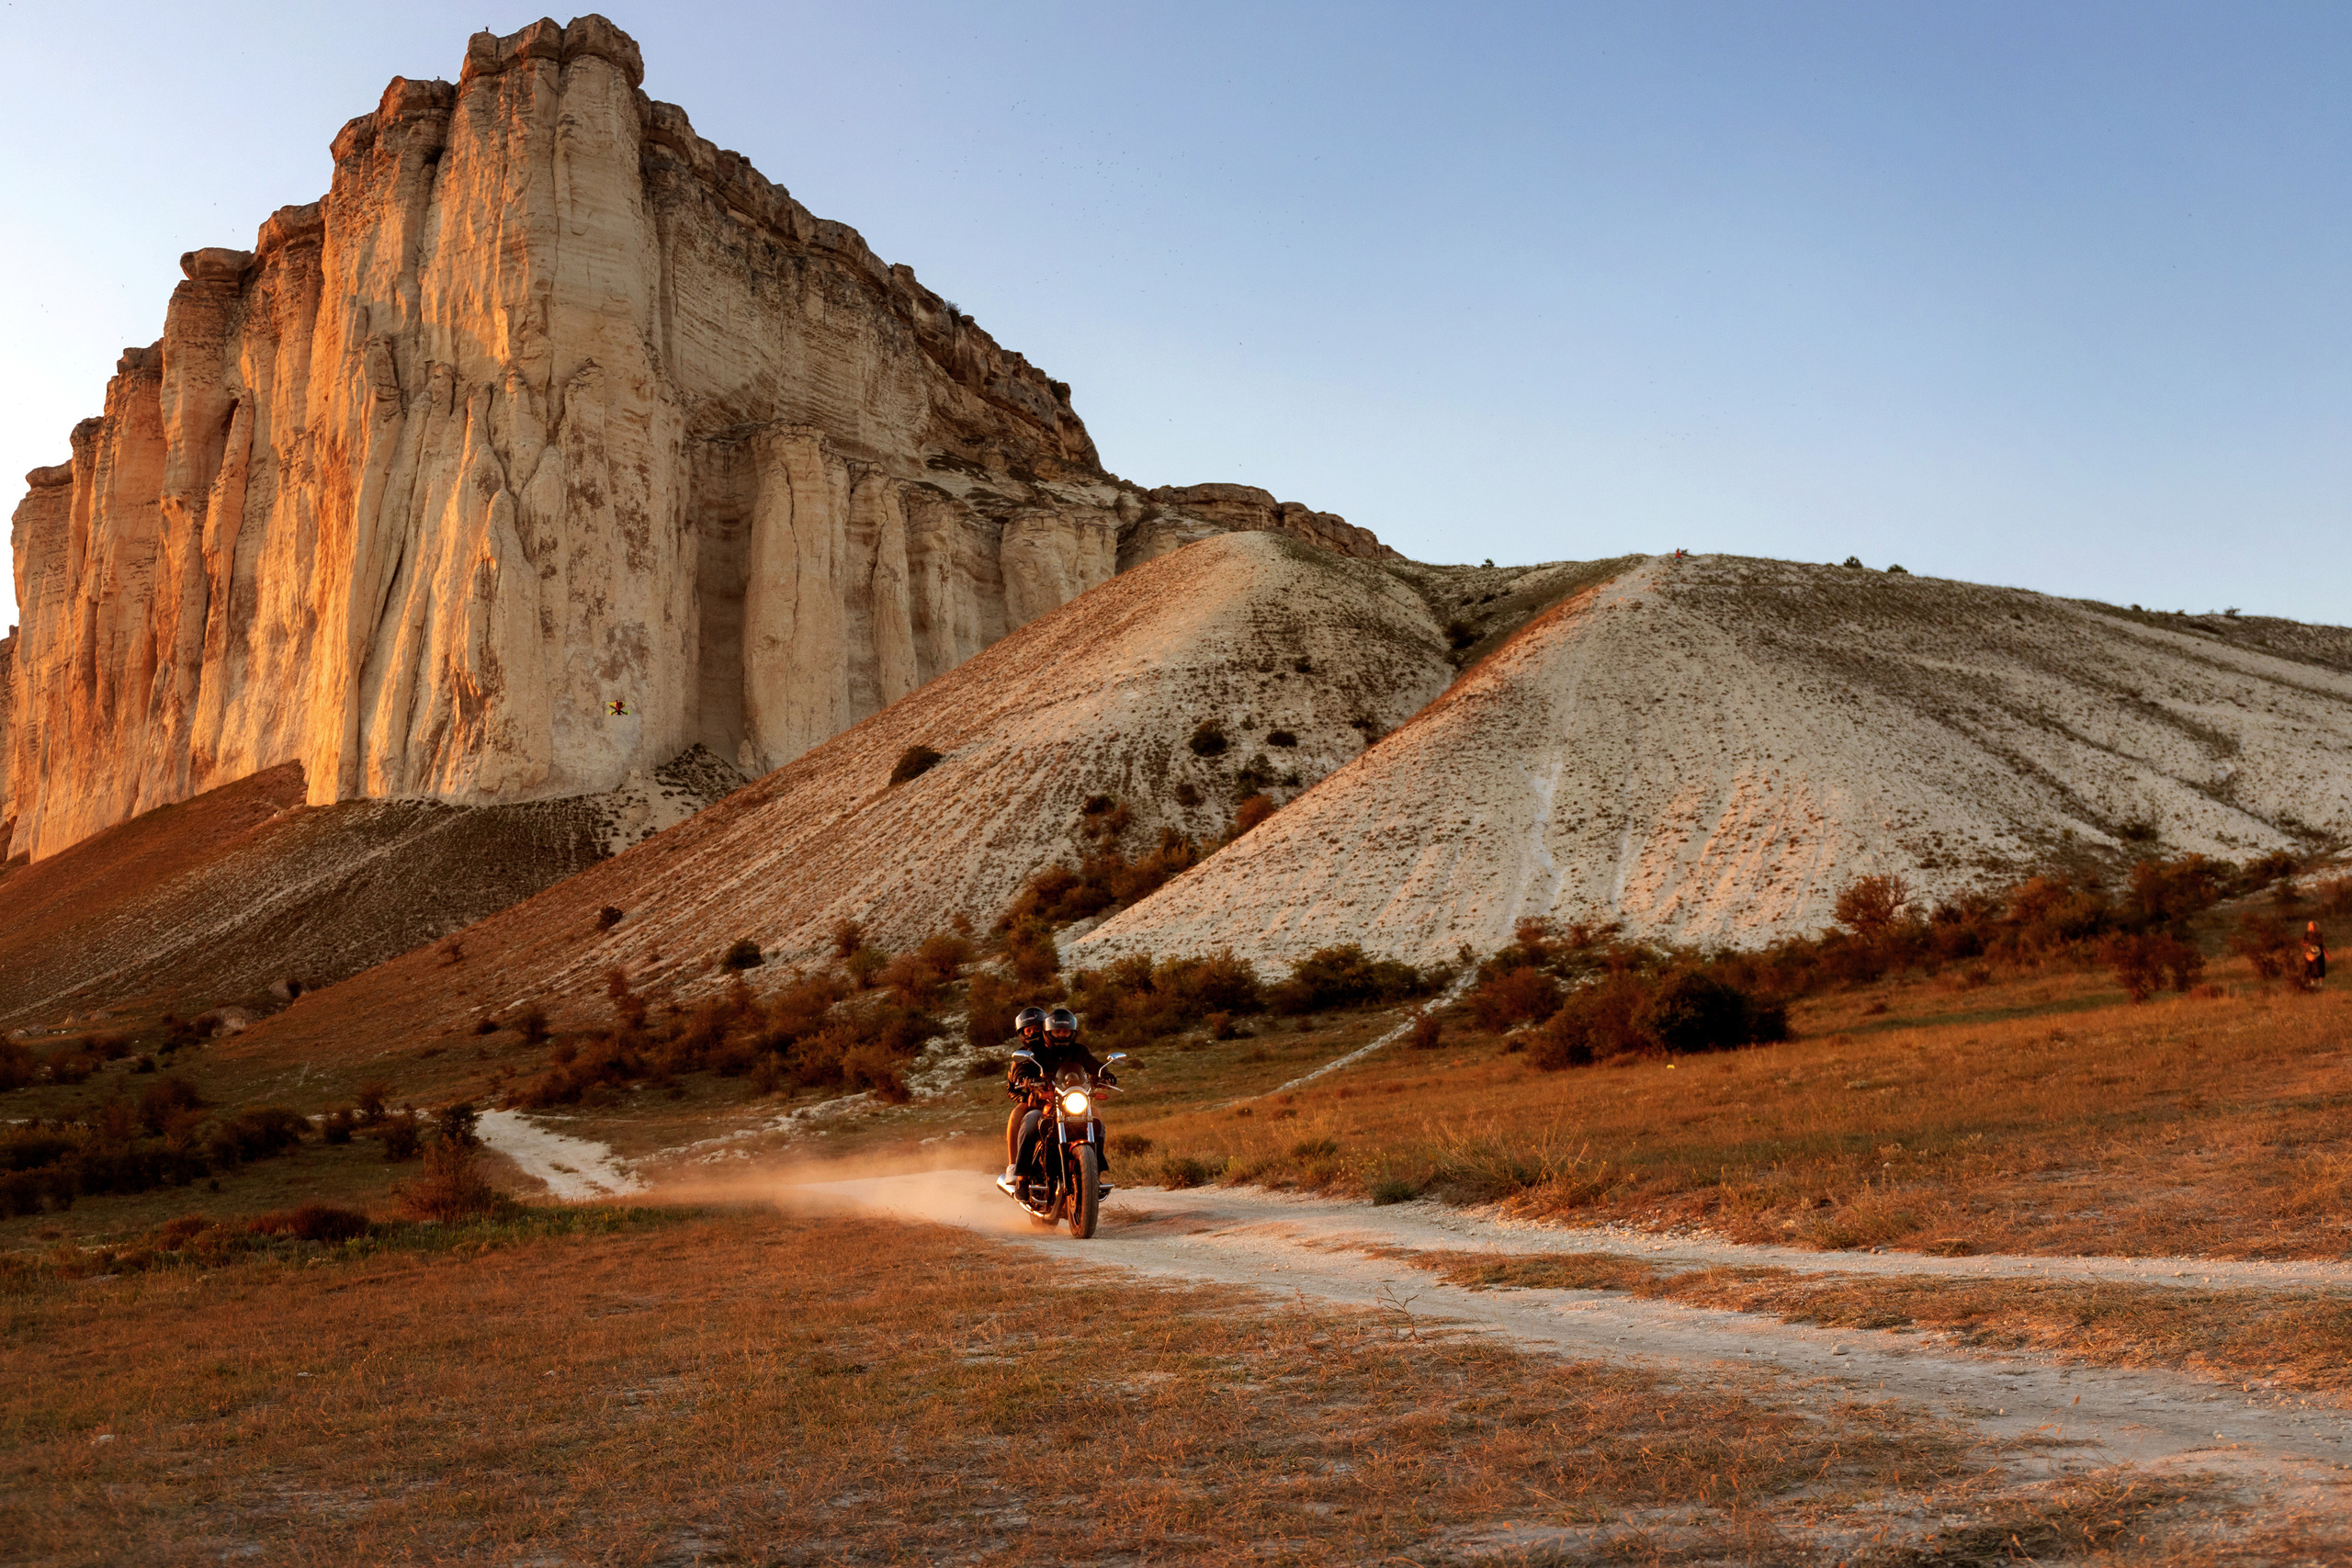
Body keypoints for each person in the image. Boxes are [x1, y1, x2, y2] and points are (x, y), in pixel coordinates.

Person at [997, 1007, 1117, 1194]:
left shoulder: (1079, 1050)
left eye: (1066, 1031)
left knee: (1096, 1122)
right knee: (1030, 1123)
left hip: (1072, 1100)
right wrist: (1026, 1079)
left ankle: (1094, 1173)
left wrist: (1106, 1075)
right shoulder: (1034, 1051)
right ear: (1049, 1032)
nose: (1062, 1035)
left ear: (1073, 1032)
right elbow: (1022, 1069)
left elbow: (1094, 1064)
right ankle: (1022, 1177)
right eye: (1057, 1031)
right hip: (1044, 1102)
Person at [2306, 922, 2328, 987]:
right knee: (2310, 967)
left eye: (2313, 925)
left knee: (2320, 967)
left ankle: (2320, 983)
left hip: (2319, 952)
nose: (2312, 927)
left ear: (2316, 926)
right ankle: (2312, 982)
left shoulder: (2319, 934)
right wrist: (2308, 946)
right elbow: (2304, 942)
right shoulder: (2307, 934)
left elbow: (2321, 944)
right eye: (2311, 925)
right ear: (2309, 927)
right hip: (2310, 952)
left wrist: (2327, 954)